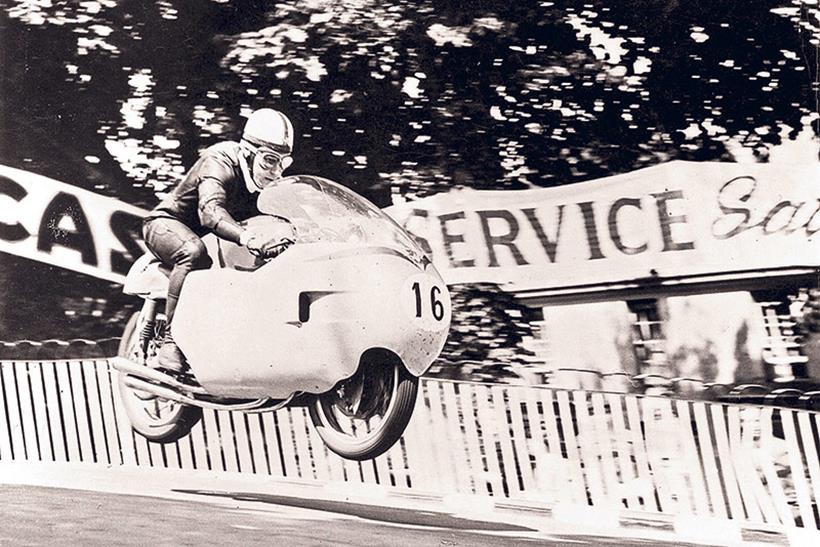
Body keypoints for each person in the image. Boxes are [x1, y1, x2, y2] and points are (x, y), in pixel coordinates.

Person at [142, 108, 295, 373]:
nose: (276, 171)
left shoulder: (263, 182)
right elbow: (210, 212)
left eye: (283, 162)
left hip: (213, 235)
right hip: (166, 225)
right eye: (269, 160)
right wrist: (247, 236)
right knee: (194, 252)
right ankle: (171, 341)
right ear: (247, 152)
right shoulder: (219, 161)